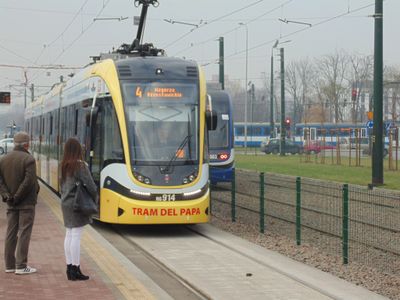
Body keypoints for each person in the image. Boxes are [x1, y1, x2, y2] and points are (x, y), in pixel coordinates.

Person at [0, 131, 40, 275]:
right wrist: (17, 196)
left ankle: (9, 265)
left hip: (11, 203)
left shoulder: (3, 159)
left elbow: (1, 181)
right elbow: (29, 181)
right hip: (26, 203)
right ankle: (21, 266)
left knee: (11, 233)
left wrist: (7, 195)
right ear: (27, 144)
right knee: (24, 232)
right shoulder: (28, 159)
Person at [60, 138, 98, 281]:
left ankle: (69, 268)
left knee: (69, 234)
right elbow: (90, 185)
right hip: (77, 203)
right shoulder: (80, 165)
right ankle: (76, 268)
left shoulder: (63, 165)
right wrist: (95, 198)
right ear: (78, 150)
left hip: (66, 203)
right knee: (76, 235)